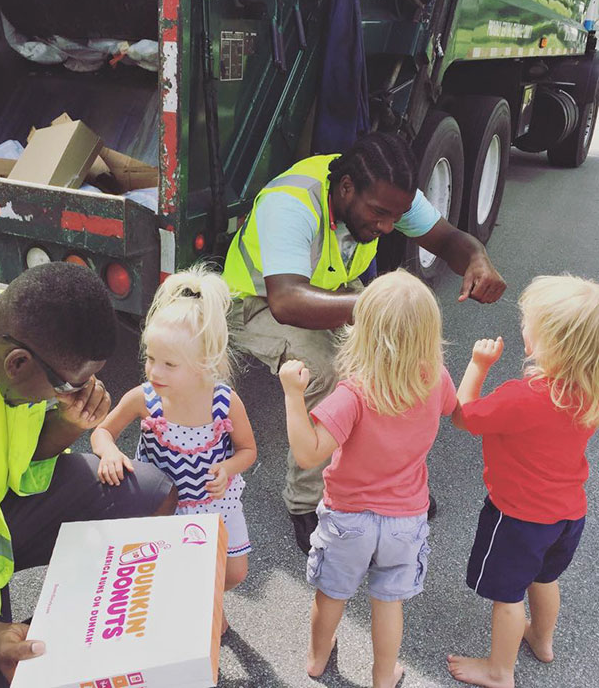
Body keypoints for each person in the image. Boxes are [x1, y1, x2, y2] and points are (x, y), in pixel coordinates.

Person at [223, 131, 506, 553]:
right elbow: (286, 300)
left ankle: (384, 485)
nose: (389, 227)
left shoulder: (384, 191)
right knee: (325, 369)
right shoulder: (292, 203)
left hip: (331, 290)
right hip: (256, 302)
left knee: (394, 358)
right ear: (347, 188)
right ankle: (307, 502)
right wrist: (380, 304)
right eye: (380, 215)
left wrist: (478, 257)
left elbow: (448, 240)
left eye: (397, 216)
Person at [0, 262, 177, 687]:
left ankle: (71, 643)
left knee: (152, 494)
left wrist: (68, 424)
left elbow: (21, 462)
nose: (77, 392)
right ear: (18, 364)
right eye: (68, 385)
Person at [279, 269, 457, 687]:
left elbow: (308, 452)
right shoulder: (436, 381)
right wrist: (481, 367)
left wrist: (292, 394)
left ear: (363, 331)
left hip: (348, 519)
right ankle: (382, 677)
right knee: (388, 602)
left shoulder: (355, 393)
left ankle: (317, 660)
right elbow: (460, 411)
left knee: (332, 594)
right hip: (405, 520)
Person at [447, 275, 599, 688]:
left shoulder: (522, 396)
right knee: (545, 579)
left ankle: (499, 670)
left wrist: (477, 365)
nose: (522, 328)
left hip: (518, 519)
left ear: (547, 341)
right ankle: (542, 639)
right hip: (568, 516)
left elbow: (463, 416)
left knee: (508, 597)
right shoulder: (590, 392)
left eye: (527, 323)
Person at [91, 266, 257, 633]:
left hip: (215, 502)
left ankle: (203, 597)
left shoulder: (224, 402)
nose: (154, 371)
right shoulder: (144, 399)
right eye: (151, 358)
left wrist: (228, 469)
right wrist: (110, 453)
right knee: (171, 568)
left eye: (169, 364)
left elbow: (248, 450)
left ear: (204, 364)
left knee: (234, 571)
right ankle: (196, 616)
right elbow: (102, 431)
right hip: (163, 506)